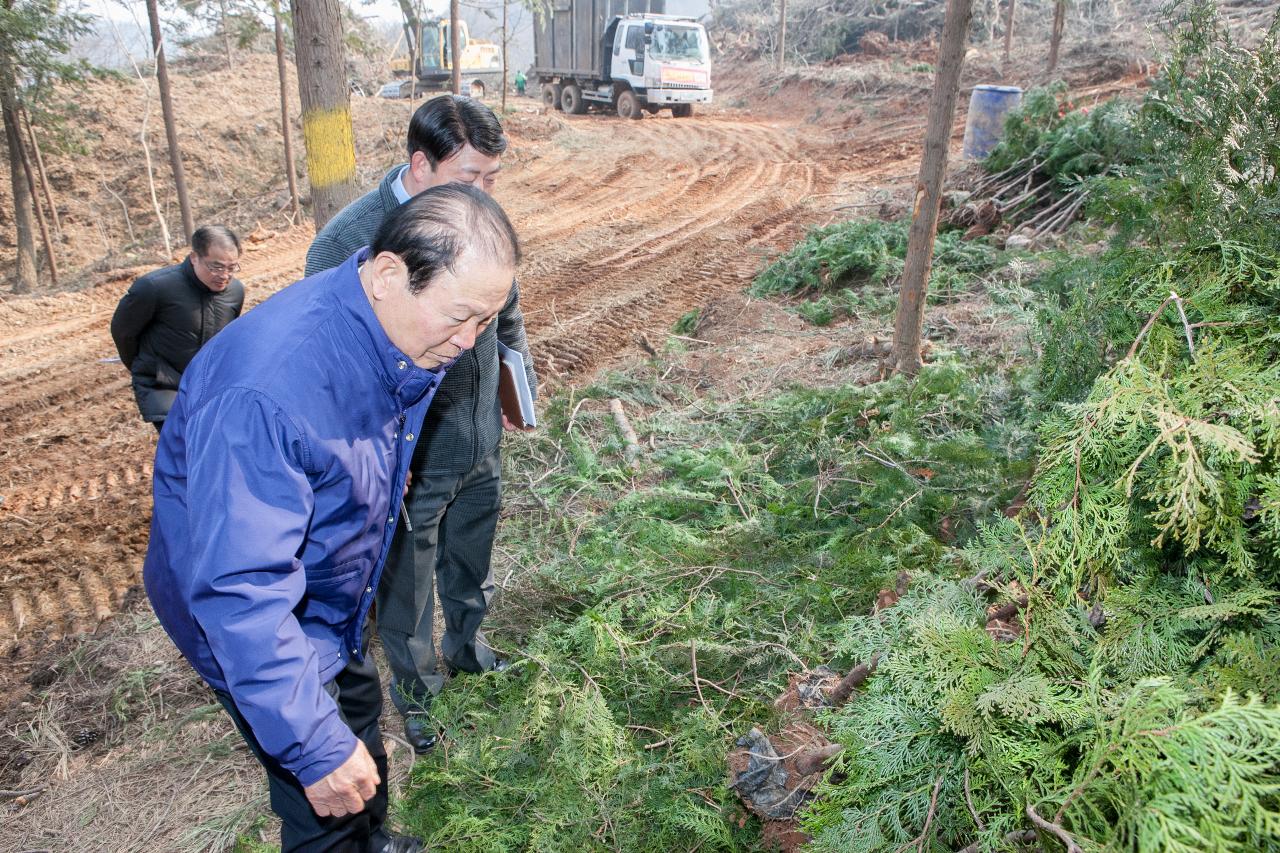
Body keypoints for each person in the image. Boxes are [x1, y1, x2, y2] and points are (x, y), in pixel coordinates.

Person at [144, 185, 521, 853]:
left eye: (487, 319)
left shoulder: (393, 328)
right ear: (387, 274)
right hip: (256, 621)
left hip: (322, 595)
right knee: (321, 795)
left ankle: (370, 838)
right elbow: (241, 595)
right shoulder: (268, 393)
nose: (469, 342)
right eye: (461, 316)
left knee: (359, 717)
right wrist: (314, 745)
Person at [305, 94, 537, 756]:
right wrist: (373, 460)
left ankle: (471, 651)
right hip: (408, 454)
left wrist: (516, 390)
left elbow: (509, 313)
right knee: (404, 582)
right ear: (420, 163)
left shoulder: (479, 221)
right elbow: (335, 369)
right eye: (472, 178)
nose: (487, 193)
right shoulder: (350, 243)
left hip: (477, 438)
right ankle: (420, 696)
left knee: (471, 557)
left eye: (494, 178)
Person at [110, 224, 245, 432]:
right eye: (216, 267)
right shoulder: (154, 287)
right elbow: (123, 332)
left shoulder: (235, 292)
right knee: (181, 448)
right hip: (164, 387)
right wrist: (147, 368)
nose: (224, 275)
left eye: (232, 267)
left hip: (209, 387)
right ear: (194, 257)